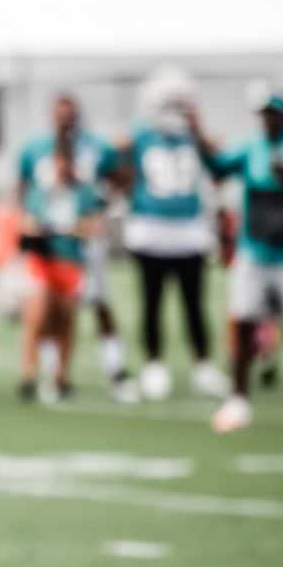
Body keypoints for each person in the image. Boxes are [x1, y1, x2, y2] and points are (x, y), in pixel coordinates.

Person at [193, 89, 283, 432]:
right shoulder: (250, 147)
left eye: (274, 113)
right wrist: (198, 135)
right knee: (242, 320)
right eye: (264, 114)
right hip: (254, 251)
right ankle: (238, 398)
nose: (269, 120)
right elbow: (218, 166)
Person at [18, 94, 135, 402]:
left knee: (93, 304)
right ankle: (41, 372)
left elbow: (118, 180)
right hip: (47, 248)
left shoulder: (96, 149)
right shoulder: (36, 151)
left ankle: (113, 368)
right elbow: (25, 197)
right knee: (42, 310)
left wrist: (101, 206)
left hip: (79, 247)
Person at [121, 66, 224, 401]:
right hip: (151, 229)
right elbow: (116, 158)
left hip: (188, 231)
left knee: (194, 304)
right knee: (152, 303)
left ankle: (204, 364)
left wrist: (198, 127)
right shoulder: (140, 134)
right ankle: (154, 363)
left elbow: (218, 162)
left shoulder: (194, 134)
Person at [18, 144, 103, 401]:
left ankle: (61, 375)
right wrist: (51, 230)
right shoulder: (40, 192)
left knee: (66, 318)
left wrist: (66, 230)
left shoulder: (83, 193)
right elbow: (28, 226)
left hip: (70, 260)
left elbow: (90, 226)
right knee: (38, 314)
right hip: (44, 260)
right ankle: (28, 373)